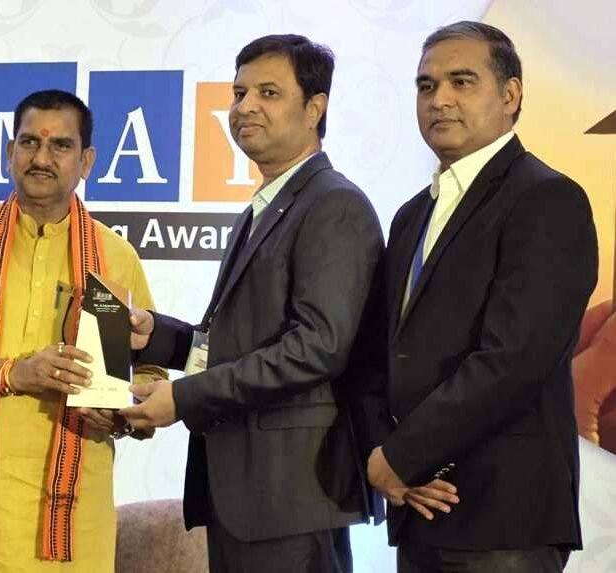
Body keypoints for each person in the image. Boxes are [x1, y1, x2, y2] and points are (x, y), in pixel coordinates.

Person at [120, 34, 391, 572]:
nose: (245, 107)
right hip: (244, 494)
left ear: (314, 108)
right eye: (239, 92)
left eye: (269, 92)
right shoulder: (265, 207)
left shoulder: (334, 204)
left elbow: (316, 348)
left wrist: (184, 398)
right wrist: (158, 337)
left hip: (291, 496)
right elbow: (237, 343)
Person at [366, 21, 598, 572]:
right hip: (417, 507)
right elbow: (380, 355)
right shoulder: (410, 216)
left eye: (462, 81)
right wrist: (389, 459)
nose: (439, 99)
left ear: (510, 95)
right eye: (426, 86)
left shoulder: (547, 199)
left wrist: (403, 456)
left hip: (504, 517)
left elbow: (515, 359)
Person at [0, 89, 166, 572]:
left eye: (61, 146)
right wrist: (15, 372)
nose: (41, 158)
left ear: (86, 161)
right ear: (10, 152)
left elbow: (148, 369)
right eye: (29, 143)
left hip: (74, 519)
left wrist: (124, 414)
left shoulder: (115, 257)